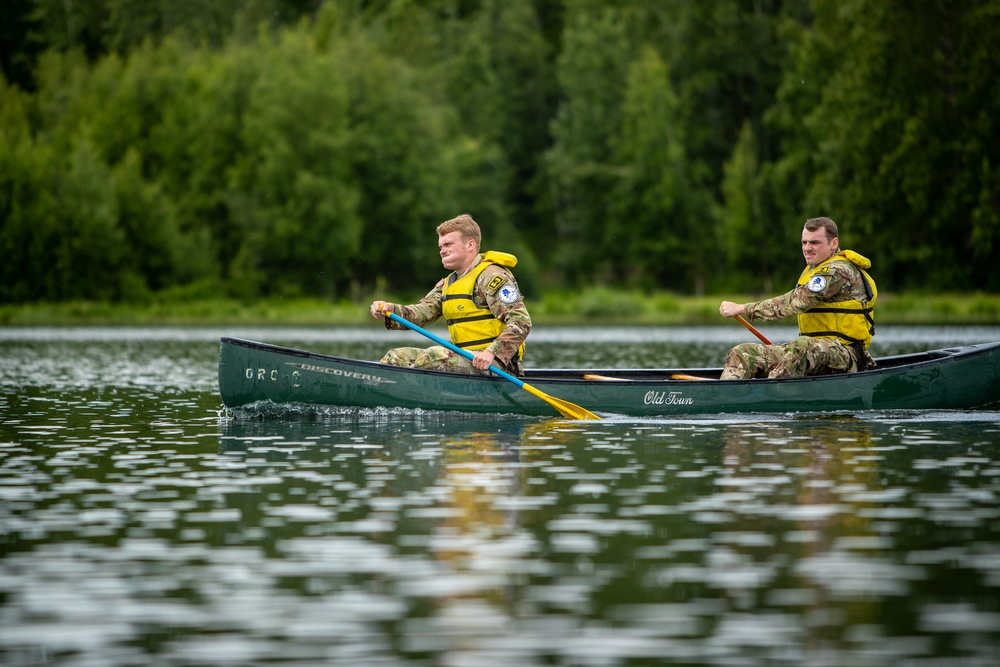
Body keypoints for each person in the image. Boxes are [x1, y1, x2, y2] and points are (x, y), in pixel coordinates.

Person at [369, 214, 531, 376]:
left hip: (498, 365)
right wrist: (390, 309)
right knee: (396, 357)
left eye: (448, 244)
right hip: (465, 360)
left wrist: (491, 353)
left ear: (470, 245)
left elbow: (521, 320)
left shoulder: (492, 277)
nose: (442, 251)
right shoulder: (448, 283)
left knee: (432, 357)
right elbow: (421, 313)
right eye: (440, 247)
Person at [717, 216, 877, 380]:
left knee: (802, 346)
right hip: (812, 353)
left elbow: (795, 302)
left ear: (833, 244)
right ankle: (724, 397)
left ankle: (771, 393)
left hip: (847, 355)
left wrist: (743, 308)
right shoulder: (814, 269)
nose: (807, 248)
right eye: (804, 242)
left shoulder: (838, 271)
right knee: (743, 352)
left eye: (814, 243)